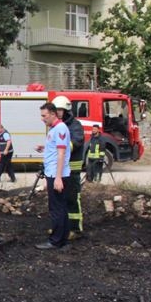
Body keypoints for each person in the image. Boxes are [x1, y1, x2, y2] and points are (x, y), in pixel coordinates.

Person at [35, 101, 72, 250]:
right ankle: (62, 239)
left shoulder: (60, 129)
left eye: (44, 116)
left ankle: (56, 241)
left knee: (56, 208)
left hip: (57, 175)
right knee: (60, 207)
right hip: (54, 173)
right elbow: (56, 148)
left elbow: (61, 153)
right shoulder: (54, 129)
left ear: (52, 114)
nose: (42, 119)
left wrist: (57, 177)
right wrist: (45, 148)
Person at [52, 95, 85, 240]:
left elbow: (76, 142)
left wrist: (61, 147)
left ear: (66, 110)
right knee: (60, 200)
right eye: (55, 110)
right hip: (60, 170)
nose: (57, 112)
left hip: (72, 170)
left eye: (59, 110)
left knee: (72, 199)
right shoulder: (57, 127)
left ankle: (75, 229)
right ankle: (63, 228)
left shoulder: (75, 126)